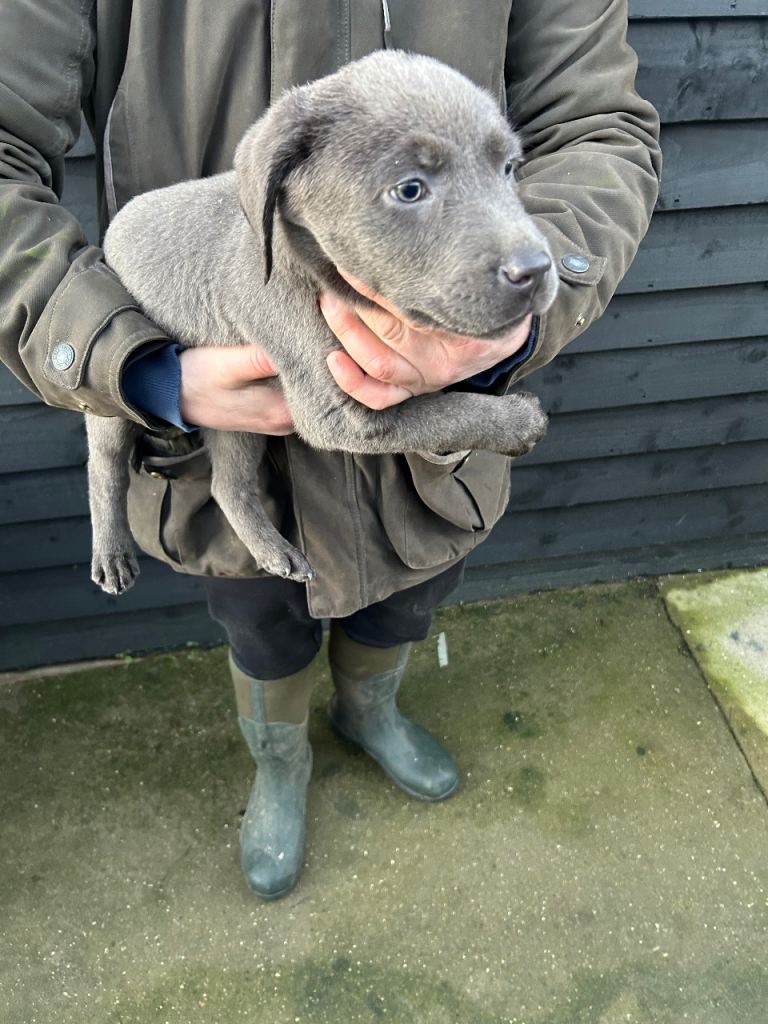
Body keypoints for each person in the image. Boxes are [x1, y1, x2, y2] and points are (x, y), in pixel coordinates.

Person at [0, 1, 661, 900]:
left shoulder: (509, 245)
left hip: (433, 462)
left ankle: (368, 712)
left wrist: (509, 332)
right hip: (196, 428)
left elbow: (599, 126)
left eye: (503, 169)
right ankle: (281, 765)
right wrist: (138, 367)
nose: (524, 248)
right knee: (259, 624)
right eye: (415, 187)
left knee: (413, 593)